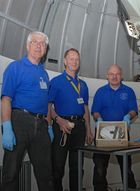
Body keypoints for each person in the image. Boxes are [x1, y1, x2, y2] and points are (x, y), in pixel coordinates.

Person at [0, 31, 54, 191]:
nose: (39, 46)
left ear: (45, 49)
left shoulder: (44, 74)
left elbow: (47, 104)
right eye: (35, 42)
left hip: (41, 125)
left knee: (46, 174)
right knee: (11, 173)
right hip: (19, 122)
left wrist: (49, 125)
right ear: (27, 45)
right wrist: (7, 127)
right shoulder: (15, 67)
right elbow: (6, 99)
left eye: (43, 43)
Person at [48, 48, 94, 191]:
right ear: (65, 61)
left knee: (77, 168)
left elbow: (86, 109)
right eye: (71, 59)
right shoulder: (56, 82)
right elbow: (48, 106)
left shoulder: (83, 85)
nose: (74, 62)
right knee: (58, 168)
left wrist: (88, 130)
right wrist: (58, 120)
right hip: (61, 127)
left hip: (79, 128)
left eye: (77, 59)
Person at [91, 64, 138, 190]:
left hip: (122, 133)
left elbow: (134, 110)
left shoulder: (129, 91)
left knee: (126, 167)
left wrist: (128, 116)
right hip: (102, 134)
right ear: (107, 76)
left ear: (121, 76)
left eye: (117, 74)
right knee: (100, 168)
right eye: (111, 74)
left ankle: (130, 188)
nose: (114, 76)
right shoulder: (100, 92)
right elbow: (95, 111)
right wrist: (99, 119)